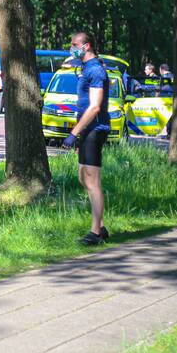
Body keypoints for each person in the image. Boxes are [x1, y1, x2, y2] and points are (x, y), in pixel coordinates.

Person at [61, 32, 111, 245]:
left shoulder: (96, 71)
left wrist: (74, 133)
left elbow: (95, 106)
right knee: (84, 177)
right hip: (86, 129)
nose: (72, 48)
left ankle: (96, 233)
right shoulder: (86, 69)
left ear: (87, 45)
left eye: (75, 45)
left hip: (95, 129)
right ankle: (100, 227)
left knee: (92, 181)